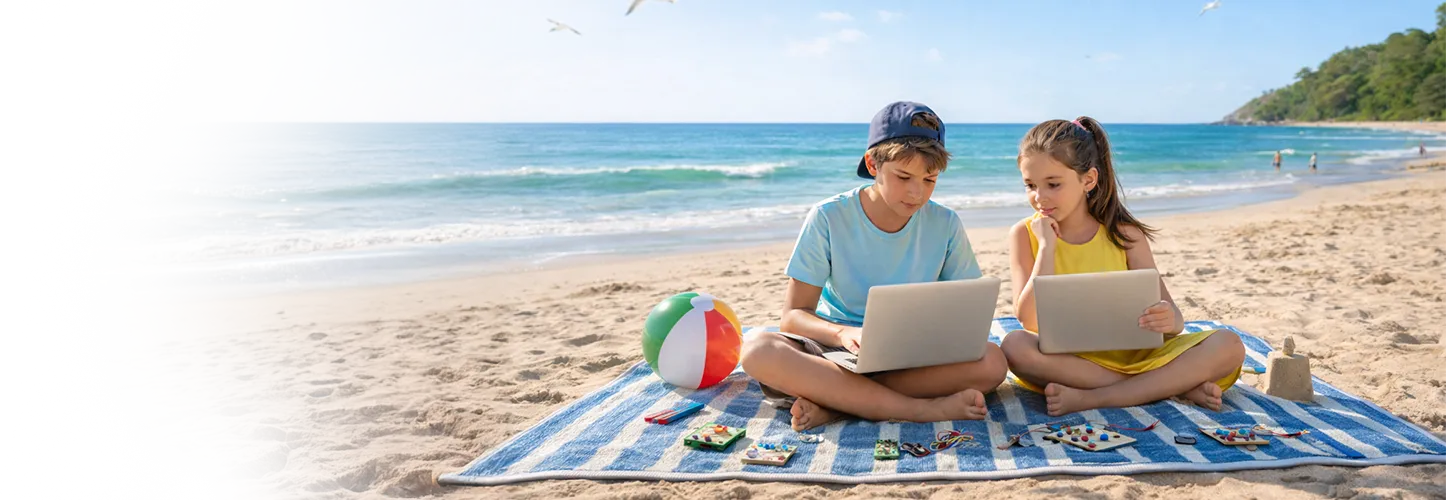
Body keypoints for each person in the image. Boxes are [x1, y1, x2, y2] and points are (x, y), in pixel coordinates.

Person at [740, 101, 1008, 431]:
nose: (916, 192)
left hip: (909, 355)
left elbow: (967, 309)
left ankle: (837, 405)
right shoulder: (828, 217)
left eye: (930, 179)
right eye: (903, 176)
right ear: (873, 164)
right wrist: (843, 333)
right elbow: (793, 316)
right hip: (833, 351)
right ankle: (916, 410)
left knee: (993, 361)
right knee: (757, 350)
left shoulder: (946, 223)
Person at [999, 117, 1246, 417]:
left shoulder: (1125, 235)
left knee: (1229, 344)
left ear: (1088, 180)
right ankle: (1171, 387)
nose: (1040, 197)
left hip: (1139, 356)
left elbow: (1174, 317)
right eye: (1030, 185)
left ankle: (1102, 398)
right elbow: (1029, 321)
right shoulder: (1024, 235)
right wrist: (1047, 247)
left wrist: (1169, 319)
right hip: (1075, 363)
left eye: (1053, 184)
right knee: (1014, 346)